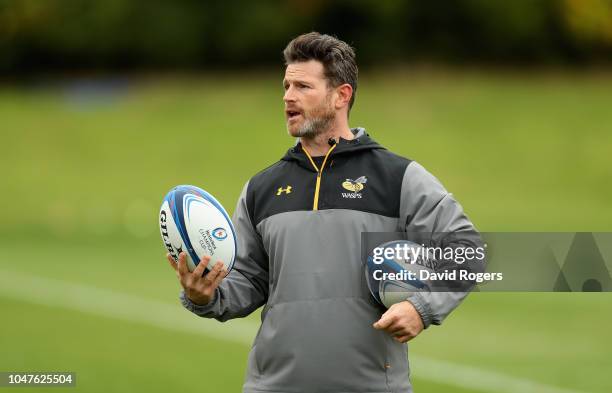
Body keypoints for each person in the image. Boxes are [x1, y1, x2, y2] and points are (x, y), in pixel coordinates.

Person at [167, 32, 480, 393]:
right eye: (286, 85)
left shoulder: (398, 178)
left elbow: (467, 250)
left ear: (340, 95)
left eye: (302, 86)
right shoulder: (262, 187)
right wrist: (204, 295)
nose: (287, 96)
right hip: (274, 386)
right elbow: (249, 280)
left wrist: (422, 307)